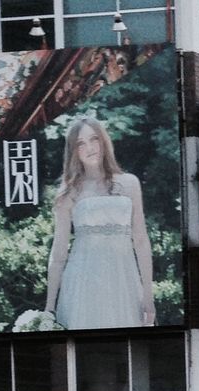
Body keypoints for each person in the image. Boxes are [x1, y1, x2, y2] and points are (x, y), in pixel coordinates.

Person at [44, 117, 155, 330]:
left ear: (103, 142)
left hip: (124, 280)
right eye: (81, 143)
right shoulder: (68, 193)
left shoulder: (129, 183)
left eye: (94, 139)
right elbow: (58, 254)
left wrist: (148, 297)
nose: (89, 148)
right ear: (74, 151)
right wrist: (49, 307)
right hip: (83, 281)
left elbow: (141, 241)